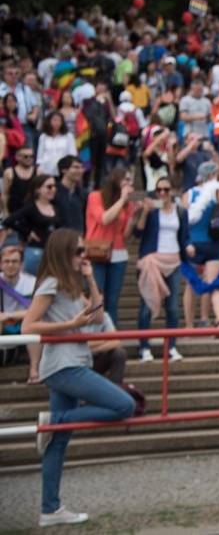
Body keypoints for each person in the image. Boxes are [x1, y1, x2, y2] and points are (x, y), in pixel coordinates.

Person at [22, 228, 136, 527]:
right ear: (63, 253)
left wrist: (90, 278)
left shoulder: (71, 284)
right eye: (79, 251)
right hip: (63, 367)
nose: (83, 256)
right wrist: (70, 324)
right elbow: (28, 326)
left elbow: (98, 317)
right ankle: (55, 421)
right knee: (124, 405)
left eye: (84, 251)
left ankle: (50, 509)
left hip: (72, 362)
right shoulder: (50, 283)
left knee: (57, 443)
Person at [134, 176, 190, 362]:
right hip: (152, 260)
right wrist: (144, 212)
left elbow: (184, 236)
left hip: (173, 261)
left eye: (166, 189)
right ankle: (143, 347)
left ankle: (171, 346)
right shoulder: (151, 211)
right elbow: (137, 233)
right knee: (146, 306)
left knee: (173, 307)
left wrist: (189, 247)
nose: (163, 193)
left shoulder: (180, 211)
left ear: (173, 191)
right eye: (159, 190)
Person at [84, 168, 136, 325]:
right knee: (97, 296)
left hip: (119, 253)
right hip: (97, 251)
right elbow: (104, 219)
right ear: (115, 179)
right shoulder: (95, 196)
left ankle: (110, 335)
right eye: (125, 179)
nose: (128, 183)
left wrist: (137, 212)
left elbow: (126, 234)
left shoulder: (128, 203)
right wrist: (122, 200)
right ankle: (92, 333)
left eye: (130, 180)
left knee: (113, 299)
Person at [182, 161, 219, 329]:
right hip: (213, 243)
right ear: (213, 175)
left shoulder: (189, 194)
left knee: (190, 285)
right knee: (212, 282)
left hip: (193, 242)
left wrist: (185, 242)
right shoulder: (218, 191)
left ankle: (189, 325)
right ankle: (212, 319)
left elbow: (183, 220)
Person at [4, 174, 63, 276]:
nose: (53, 189)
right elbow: (8, 221)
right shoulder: (31, 207)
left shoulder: (55, 207)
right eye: (49, 187)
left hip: (52, 252)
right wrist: (27, 232)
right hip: (35, 251)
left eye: (54, 186)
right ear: (38, 189)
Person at [0, 239, 39, 383]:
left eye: (14, 261)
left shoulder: (32, 282)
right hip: (3, 326)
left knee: (34, 325)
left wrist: (9, 315)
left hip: (24, 324)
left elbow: (38, 311)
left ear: (21, 264)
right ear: (1, 264)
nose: (10, 265)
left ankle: (34, 370)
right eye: (7, 261)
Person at [35, 111, 76, 177]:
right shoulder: (43, 136)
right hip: (46, 170)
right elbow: (40, 156)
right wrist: (39, 168)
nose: (57, 123)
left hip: (63, 170)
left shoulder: (68, 136)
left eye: (59, 121)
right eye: (54, 120)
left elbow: (72, 154)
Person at [54, 156, 86, 233]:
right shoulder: (54, 191)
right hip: (58, 238)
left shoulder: (82, 193)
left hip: (78, 238)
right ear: (64, 170)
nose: (80, 171)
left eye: (81, 168)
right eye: (76, 167)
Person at [3, 144, 36, 215]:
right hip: (14, 211)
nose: (29, 158)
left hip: (32, 212)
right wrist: (5, 212)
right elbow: (5, 194)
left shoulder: (38, 172)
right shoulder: (9, 173)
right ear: (17, 157)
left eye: (31, 156)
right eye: (25, 156)